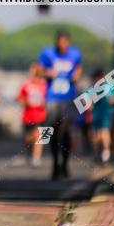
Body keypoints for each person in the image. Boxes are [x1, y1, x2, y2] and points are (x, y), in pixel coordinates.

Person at [38, 30, 82, 180]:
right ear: (56, 42)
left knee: (66, 131)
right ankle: (55, 164)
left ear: (68, 42)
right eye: (60, 42)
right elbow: (37, 70)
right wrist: (46, 72)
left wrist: (77, 75)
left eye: (65, 42)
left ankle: (65, 164)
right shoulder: (47, 53)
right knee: (53, 132)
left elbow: (78, 68)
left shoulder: (75, 54)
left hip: (68, 97)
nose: (62, 45)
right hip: (52, 97)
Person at [16, 62, 47, 166]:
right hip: (28, 116)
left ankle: (36, 157)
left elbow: (50, 98)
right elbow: (19, 99)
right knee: (29, 138)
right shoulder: (26, 84)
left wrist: (45, 103)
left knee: (39, 135)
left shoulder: (45, 84)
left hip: (42, 115)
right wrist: (26, 102)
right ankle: (30, 153)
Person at [87, 69, 114, 163]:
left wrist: (110, 100)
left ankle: (105, 154)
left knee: (104, 132)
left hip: (106, 113)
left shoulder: (108, 86)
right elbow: (87, 101)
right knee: (96, 135)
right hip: (96, 114)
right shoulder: (93, 88)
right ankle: (98, 154)